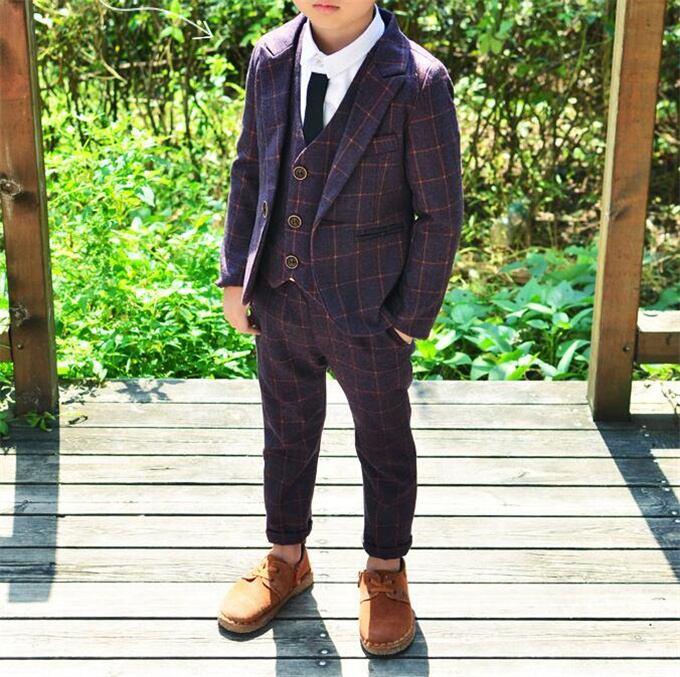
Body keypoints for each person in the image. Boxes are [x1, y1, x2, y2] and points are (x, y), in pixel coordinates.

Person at [215, 0, 463, 656]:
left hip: (371, 311)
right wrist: (236, 275)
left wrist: (408, 320)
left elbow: (440, 213)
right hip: (280, 295)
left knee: (383, 438)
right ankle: (287, 555)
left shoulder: (417, 81)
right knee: (286, 430)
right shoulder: (271, 57)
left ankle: (385, 568)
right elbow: (250, 169)